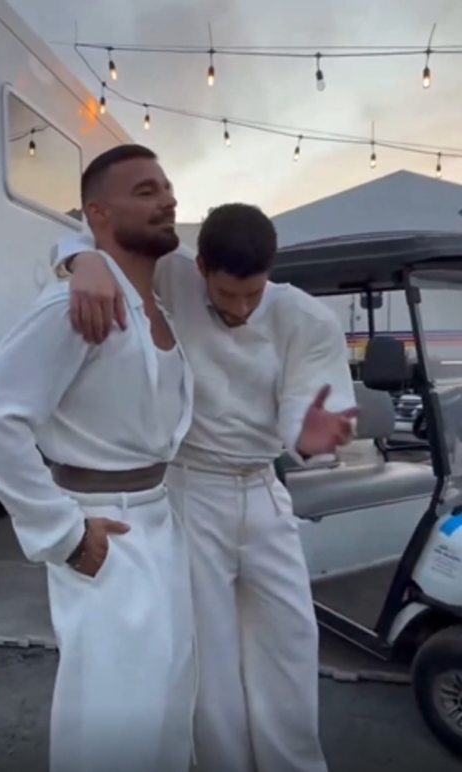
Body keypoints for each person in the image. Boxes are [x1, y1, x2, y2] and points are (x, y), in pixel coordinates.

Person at [51, 200, 359, 772]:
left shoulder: (307, 319)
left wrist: (311, 435)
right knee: (208, 654)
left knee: (290, 641)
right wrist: (80, 261)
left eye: (254, 294)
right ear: (200, 270)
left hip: (263, 488)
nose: (241, 308)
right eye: (227, 295)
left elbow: (303, 409)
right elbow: (89, 225)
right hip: (191, 487)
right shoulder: (171, 272)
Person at [0, 144, 197, 772]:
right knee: (112, 720)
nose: (168, 199)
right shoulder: (78, 308)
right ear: (97, 212)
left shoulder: (162, 299)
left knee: (169, 703)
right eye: (145, 191)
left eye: (167, 187)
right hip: (106, 528)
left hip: (161, 521)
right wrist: (63, 534)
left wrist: (80, 254)